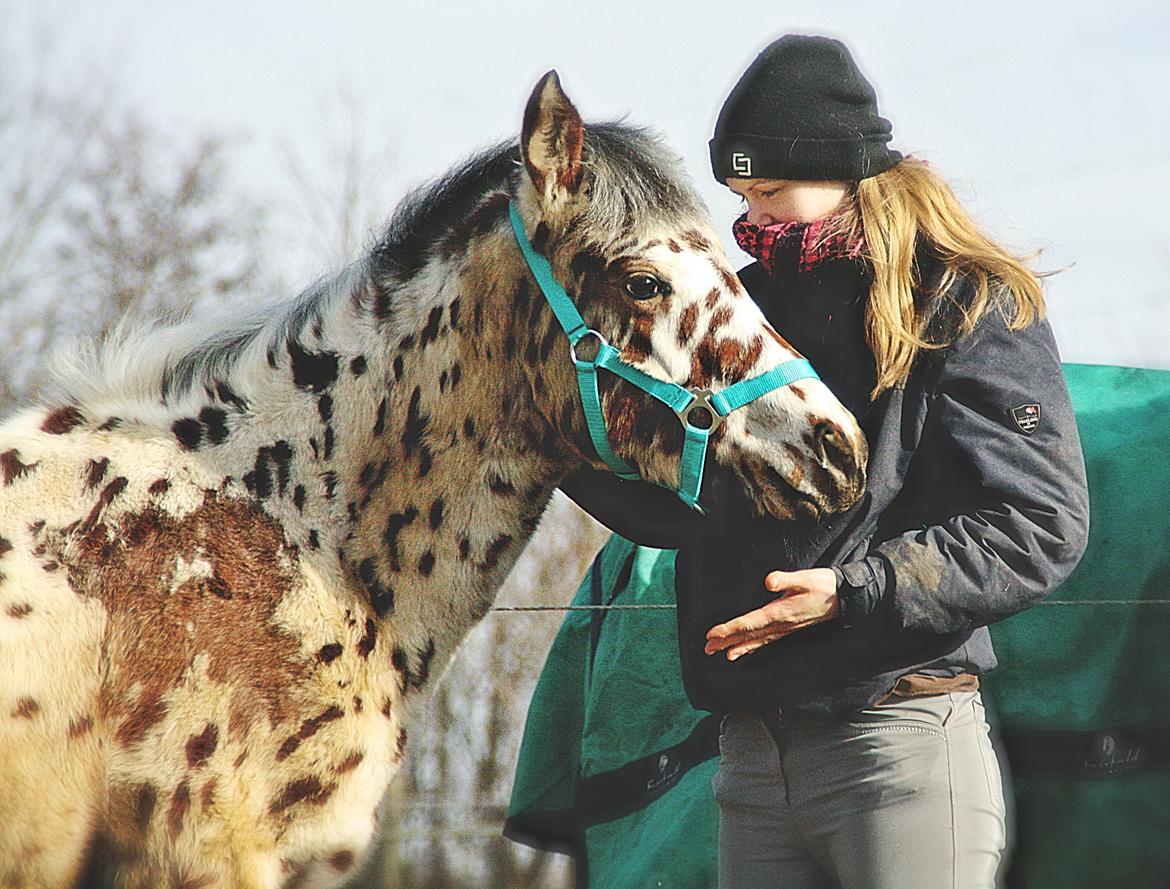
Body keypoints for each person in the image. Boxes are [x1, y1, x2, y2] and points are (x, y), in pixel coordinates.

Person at [559, 34, 1090, 889]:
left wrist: (854, 590)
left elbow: (1039, 524)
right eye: (738, 194)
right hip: (748, 762)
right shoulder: (739, 309)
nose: (752, 217)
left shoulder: (966, 298)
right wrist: (550, 449)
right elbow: (690, 502)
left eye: (769, 191)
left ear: (844, 169)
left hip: (899, 749)